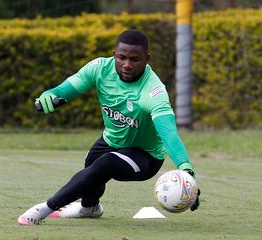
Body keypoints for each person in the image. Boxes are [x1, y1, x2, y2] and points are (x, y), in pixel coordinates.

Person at [18, 29, 200, 225]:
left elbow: (169, 133)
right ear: (114, 55)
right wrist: (51, 94)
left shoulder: (154, 91)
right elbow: (69, 87)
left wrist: (186, 169)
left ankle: (44, 208)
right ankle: (89, 208)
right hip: (110, 141)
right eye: (122, 58)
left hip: (145, 156)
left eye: (135, 59)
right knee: (92, 163)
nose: (127, 65)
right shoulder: (99, 69)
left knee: (106, 163)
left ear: (147, 59)